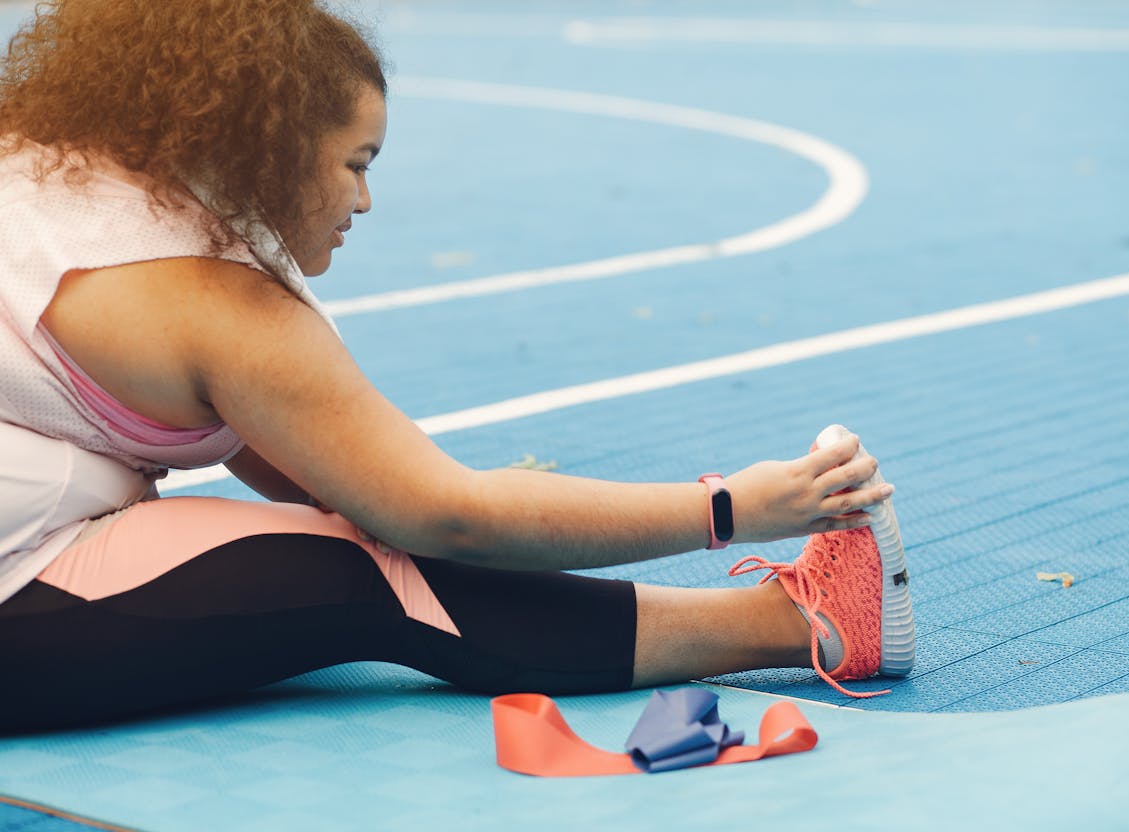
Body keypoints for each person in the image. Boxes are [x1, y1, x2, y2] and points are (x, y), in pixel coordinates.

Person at [0, 0, 912, 732]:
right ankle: (807, 627)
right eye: (355, 163)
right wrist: (731, 506)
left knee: (359, 531)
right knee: (374, 572)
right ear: (263, 146)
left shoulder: (50, 171)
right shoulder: (211, 304)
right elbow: (443, 516)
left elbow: (323, 475)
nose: (364, 198)